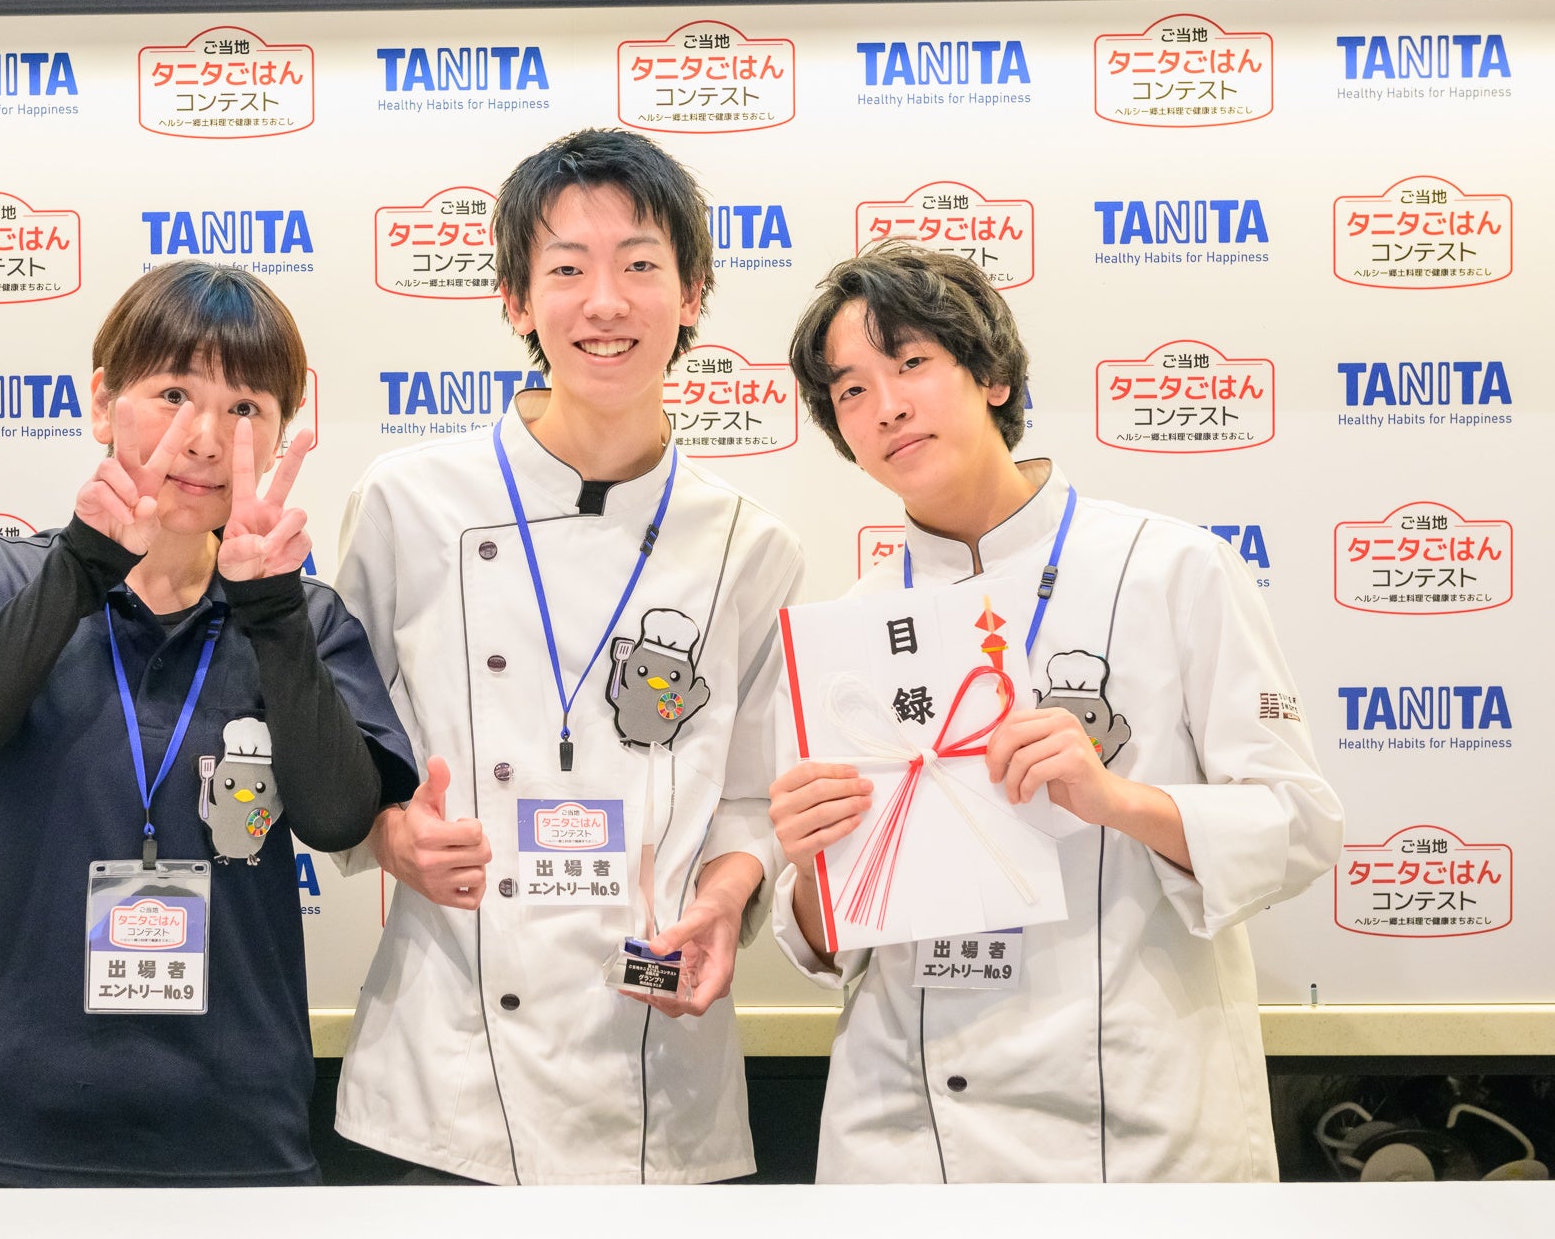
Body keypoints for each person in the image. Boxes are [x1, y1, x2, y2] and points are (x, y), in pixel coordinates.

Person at [771, 242, 1343, 1183]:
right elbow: (829, 936)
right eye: (852, 391)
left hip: (1134, 1124)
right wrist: (808, 866)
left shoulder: (1170, 569)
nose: (887, 407)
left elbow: (1298, 825)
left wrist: (1117, 799)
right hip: (909, 1130)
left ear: (993, 375)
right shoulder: (847, 633)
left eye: (911, 363)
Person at [0, 261, 418, 1186]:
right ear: (101, 402)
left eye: (245, 408)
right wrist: (81, 566)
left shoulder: (302, 619)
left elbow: (338, 816)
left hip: (231, 1135)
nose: (206, 436)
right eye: (174, 394)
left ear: (280, 435)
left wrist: (271, 612)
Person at [330, 128, 804, 1184]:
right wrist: (388, 831)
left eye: (639, 265)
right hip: (449, 1076)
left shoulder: (747, 544)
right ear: (515, 299)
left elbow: (753, 797)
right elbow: (334, 746)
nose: (604, 302)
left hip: (658, 1064)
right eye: (566, 269)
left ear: (691, 294)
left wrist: (728, 896)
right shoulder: (408, 502)